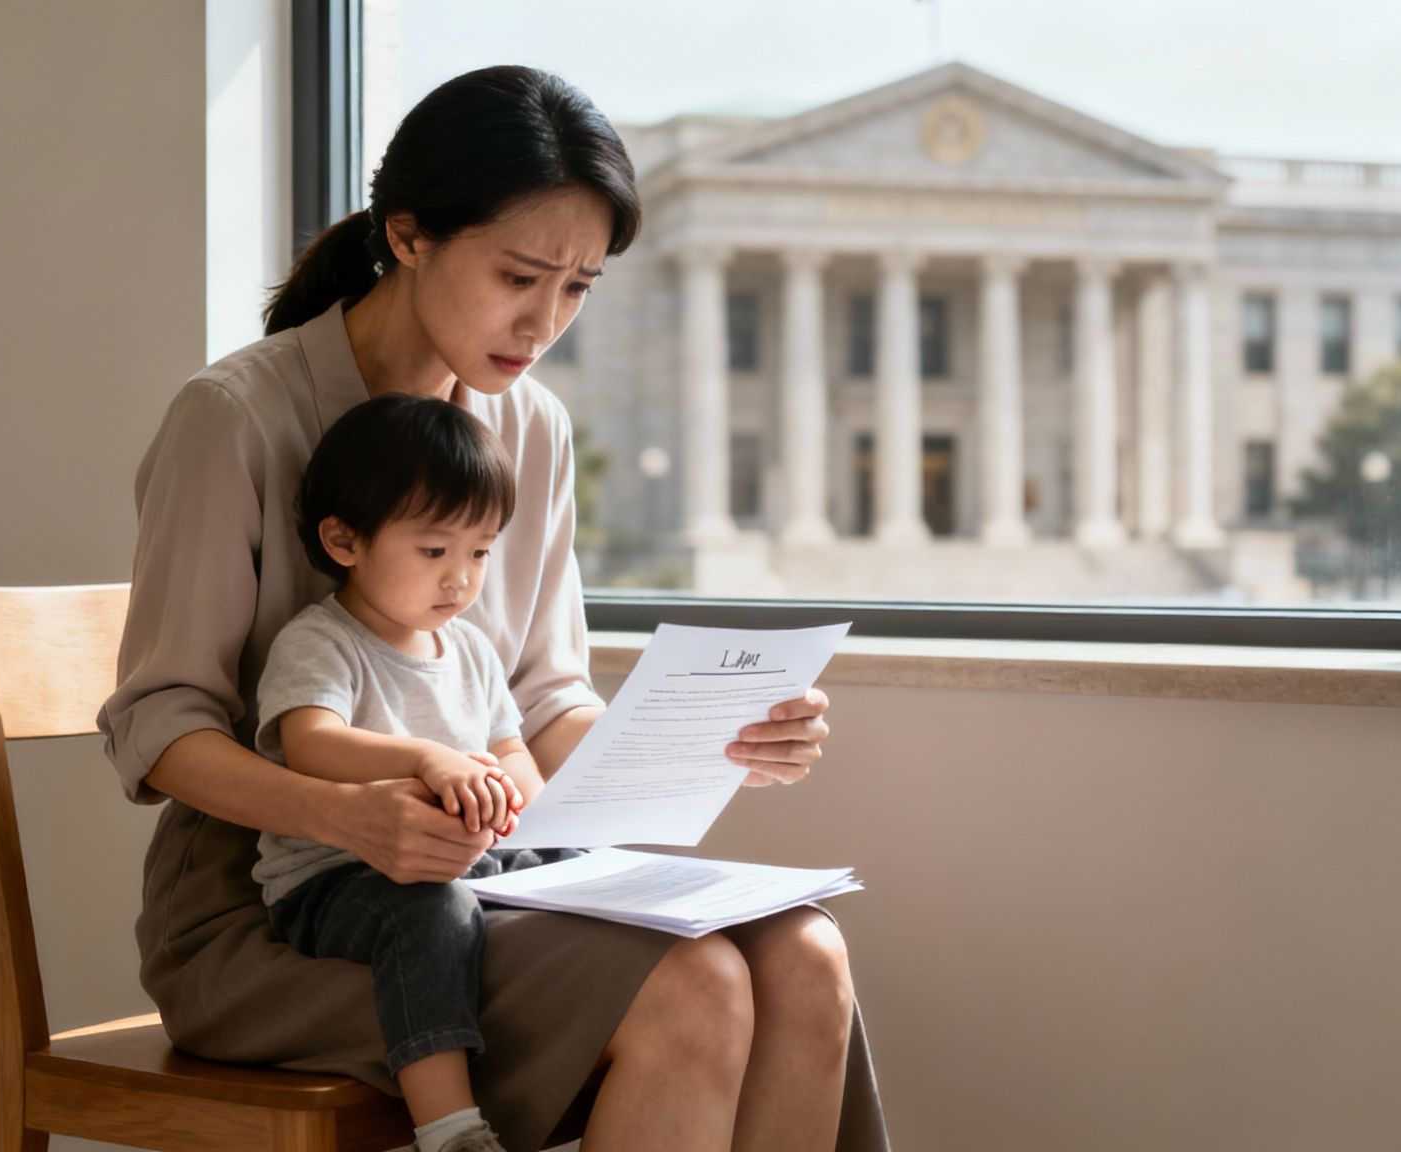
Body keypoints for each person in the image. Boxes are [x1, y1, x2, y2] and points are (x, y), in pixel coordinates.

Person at [99, 64, 888, 1152]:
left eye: (577, 288)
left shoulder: (530, 429)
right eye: (520, 275)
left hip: (489, 877)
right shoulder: (234, 417)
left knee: (805, 953)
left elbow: (543, 696)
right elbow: (159, 730)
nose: (544, 321)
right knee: (693, 983)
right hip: (285, 915)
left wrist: (712, 746)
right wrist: (348, 813)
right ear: (410, 234)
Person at [255, 394, 570, 1152]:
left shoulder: (470, 649)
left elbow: (511, 751)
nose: (461, 580)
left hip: (464, 861)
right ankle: (450, 1127)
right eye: (435, 552)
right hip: (334, 881)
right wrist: (426, 756)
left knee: (571, 867)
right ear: (344, 540)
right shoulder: (321, 641)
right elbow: (311, 744)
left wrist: (545, 815)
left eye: (481, 552)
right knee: (434, 910)